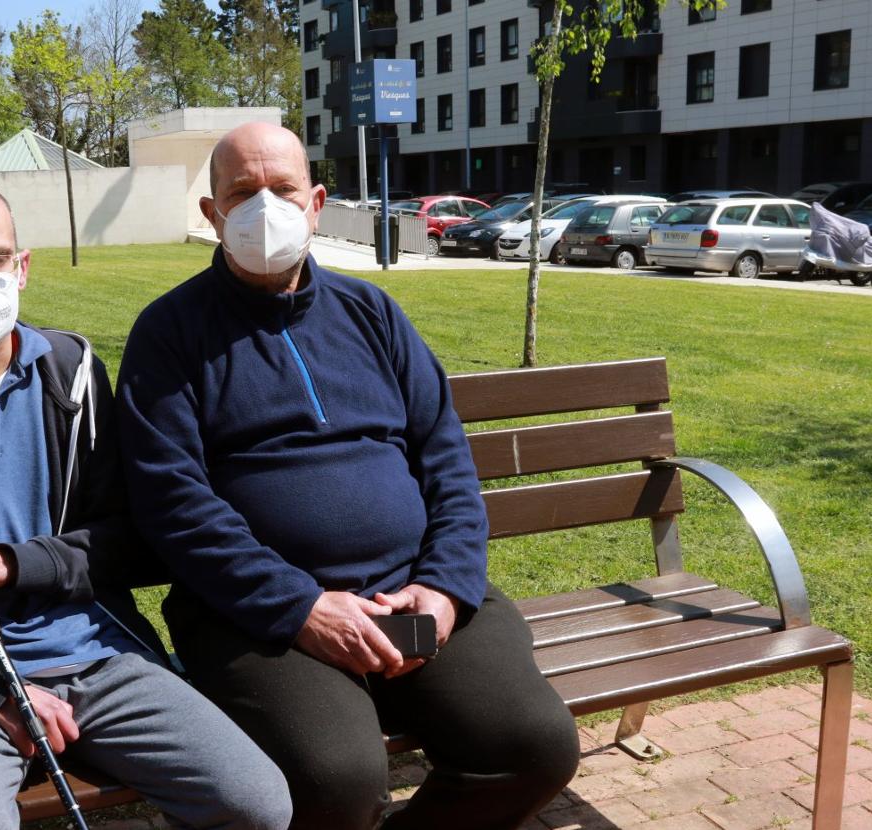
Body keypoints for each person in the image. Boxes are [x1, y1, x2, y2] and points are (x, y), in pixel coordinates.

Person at [116, 124, 580, 829]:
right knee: (339, 780)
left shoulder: (372, 313)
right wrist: (300, 607)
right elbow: (172, 501)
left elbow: (446, 460)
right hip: (262, 624)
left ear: (316, 203)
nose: (263, 207)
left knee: (533, 745)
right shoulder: (169, 333)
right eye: (241, 193)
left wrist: (446, 591)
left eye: (283, 190)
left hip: (409, 607)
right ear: (211, 214)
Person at [0, 177, 290, 830]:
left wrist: (11, 566)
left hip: (97, 651)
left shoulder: (70, 372)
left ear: (23, 269)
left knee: (256, 804)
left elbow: (126, 540)